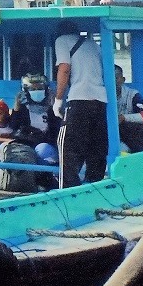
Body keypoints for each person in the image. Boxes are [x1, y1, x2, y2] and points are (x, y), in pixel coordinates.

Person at [52, 21, 108, 187]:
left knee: (67, 148)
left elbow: (64, 69)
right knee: (96, 148)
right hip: (100, 101)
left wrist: (58, 100)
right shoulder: (93, 45)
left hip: (79, 99)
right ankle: (94, 184)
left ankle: (68, 190)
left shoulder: (61, 40)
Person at [9, 72, 61, 167]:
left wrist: (54, 107)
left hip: (46, 147)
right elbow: (13, 126)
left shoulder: (51, 109)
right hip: (27, 147)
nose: (36, 91)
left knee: (43, 149)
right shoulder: (23, 109)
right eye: (33, 89)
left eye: (40, 88)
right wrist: (16, 108)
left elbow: (57, 129)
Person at [114, 65, 143, 153]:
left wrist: (123, 117)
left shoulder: (132, 95)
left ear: (123, 79)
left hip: (132, 138)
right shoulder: (100, 96)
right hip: (113, 138)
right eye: (108, 78)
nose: (113, 81)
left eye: (116, 77)